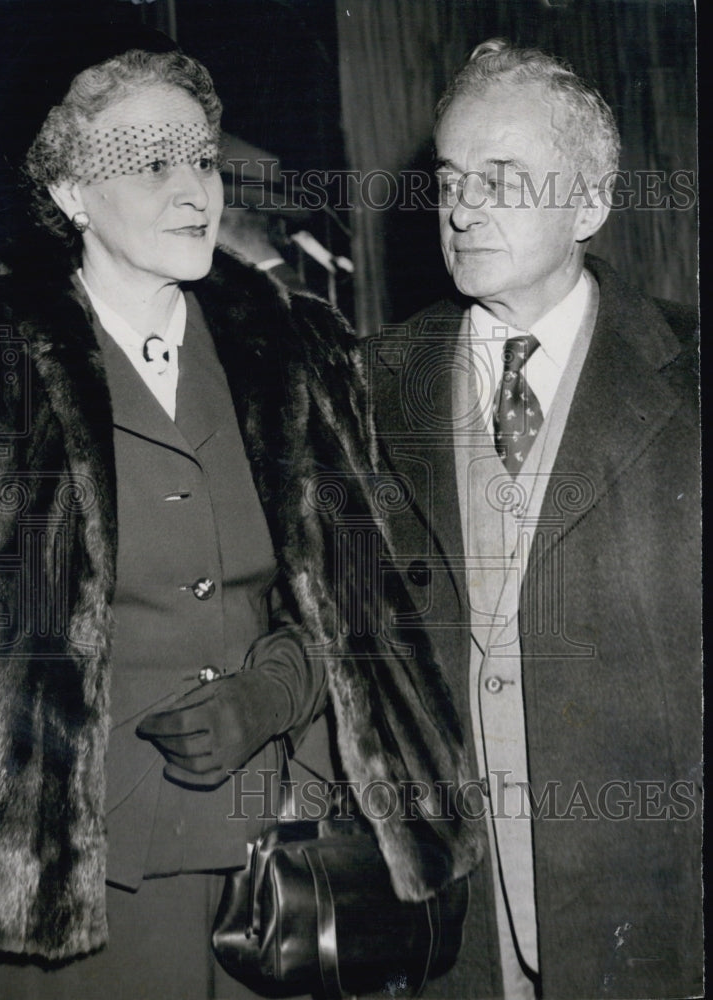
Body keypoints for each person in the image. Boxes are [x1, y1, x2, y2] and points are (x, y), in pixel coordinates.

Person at [0, 43, 477, 1000]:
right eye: (152, 164)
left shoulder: (300, 347)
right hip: (85, 883)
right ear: (70, 193)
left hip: (285, 862)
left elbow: (380, 590)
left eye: (200, 159)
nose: (194, 188)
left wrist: (273, 693)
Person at [372, 38, 701, 1000]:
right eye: (450, 178)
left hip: (649, 920)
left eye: (502, 178)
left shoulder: (689, 375)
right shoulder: (367, 383)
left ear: (591, 205)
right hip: (449, 930)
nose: (463, 207)